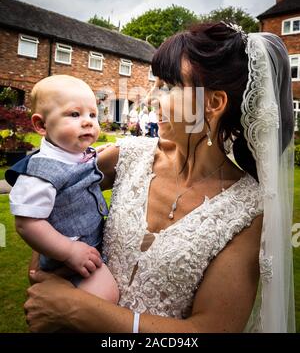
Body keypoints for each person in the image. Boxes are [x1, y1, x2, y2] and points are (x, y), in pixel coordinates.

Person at [24, 23, 295, 333]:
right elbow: (51, 191)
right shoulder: (127, 156)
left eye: (167, 86)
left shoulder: (247, 210)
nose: (150, 98)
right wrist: (47, 269)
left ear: (214, 103)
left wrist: (77, 308)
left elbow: (210, 329)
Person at [6, 75, 119, 302]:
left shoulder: (72, 153)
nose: (88, 121)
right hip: (67, 255)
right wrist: (69, 251)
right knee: (106, 297)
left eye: (93, 115)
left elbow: (82, 164)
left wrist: (97, 154)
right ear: (41, 125)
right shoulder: (41, 174)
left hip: (90, 244)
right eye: (75, 114)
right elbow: (27, 223)